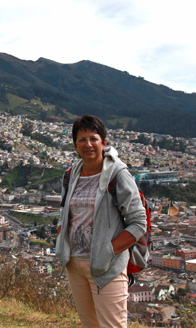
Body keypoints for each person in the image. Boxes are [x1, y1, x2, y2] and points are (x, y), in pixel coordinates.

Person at [54, 115, 146, 327]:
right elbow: (64, 211)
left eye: (93, 138)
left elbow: (138, 222)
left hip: (106, 268)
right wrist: (62, 238)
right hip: (75, 265)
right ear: (75, 146)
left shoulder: (118, 174)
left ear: (104, 143)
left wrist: (108, 250)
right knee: (89, 324)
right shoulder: (71, 174)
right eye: (82, 140)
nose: (88, 144)